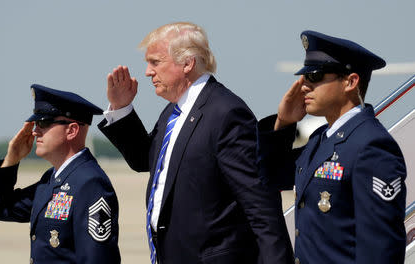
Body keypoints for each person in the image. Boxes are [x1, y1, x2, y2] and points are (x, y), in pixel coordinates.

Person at [98, 22, 293, 264]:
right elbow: (145, 159)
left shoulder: (226, 113)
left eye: (155, 62)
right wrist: (121, 108)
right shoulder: (173, 111)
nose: (148, 72)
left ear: (187, 63)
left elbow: (261, 206)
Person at [257, 30, 407, 264]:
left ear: (350, 81)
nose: (304, 86)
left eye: (314, 76)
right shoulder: (320, 139)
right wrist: (284, 123)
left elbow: (380, 248)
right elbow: (271, 176)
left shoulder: (371, 145)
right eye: (304, 77)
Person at [0, 84, 121, 264]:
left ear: (71, 130)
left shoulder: (89, 183)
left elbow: (96, 258)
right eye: (35, 123)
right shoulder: (52, 179)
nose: (35, 131)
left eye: (43, 123)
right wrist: (12, 159)